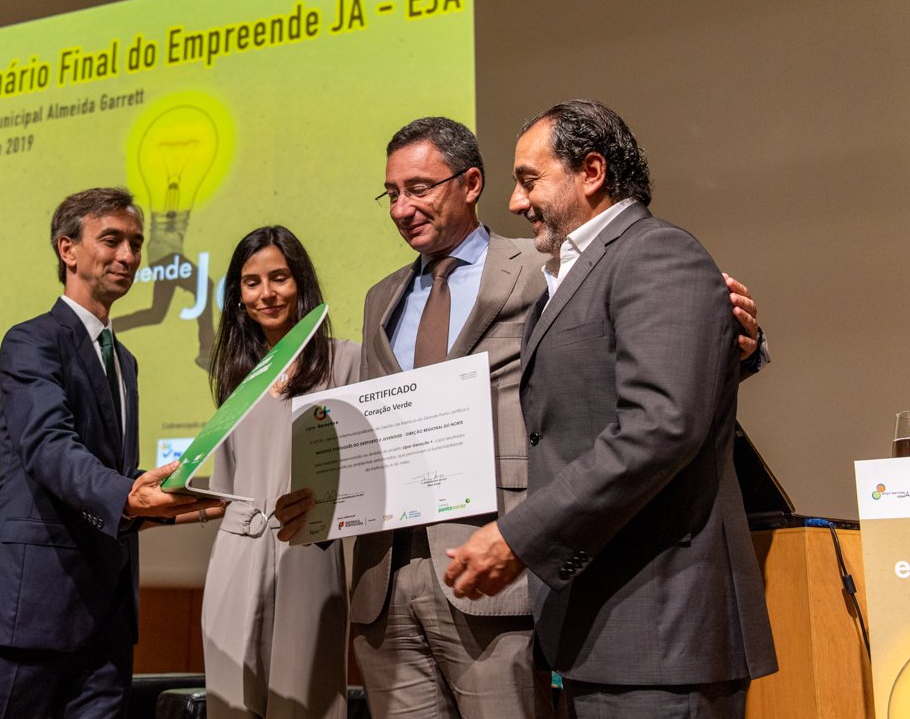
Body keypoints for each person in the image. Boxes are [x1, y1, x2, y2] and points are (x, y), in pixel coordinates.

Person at [276, 118, 765, 718]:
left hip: (501, 566)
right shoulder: (382, 297)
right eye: (392, 193)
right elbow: (387, 425)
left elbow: (655, 362)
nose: (402, 208)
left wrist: (742, 343)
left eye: (419, 189)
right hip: (387, 579)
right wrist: (326, 497)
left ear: (469, 183)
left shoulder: (550, 263)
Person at [443, 100, 778, 718]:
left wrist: (519, 537)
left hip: (661, 628)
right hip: (603, 631)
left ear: (592, 172)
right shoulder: (572, 275)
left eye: (529, 180)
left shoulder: (656, 253)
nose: (515, 202)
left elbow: (660, 425)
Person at [0, 187, 217, 718]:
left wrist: (203, 497)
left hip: (106, 623)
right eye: (112, 240)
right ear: (67, 249)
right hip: (24, 611)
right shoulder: (31, 341)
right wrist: (130, 496)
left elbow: (113, 475)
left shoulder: (125, 361)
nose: (128, 256)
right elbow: (49, 447)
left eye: (136, 243)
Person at [200, 226, 359, 719]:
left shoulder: (346, 360)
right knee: (230, 702)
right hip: (234, 554)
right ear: (238, 295)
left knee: (305, 703)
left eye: (279, 278)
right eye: (251, 283)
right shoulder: (235, 376)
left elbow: (367, 468)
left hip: (308, 550)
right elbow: (225, 486)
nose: (266, 293)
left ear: (300, 283)